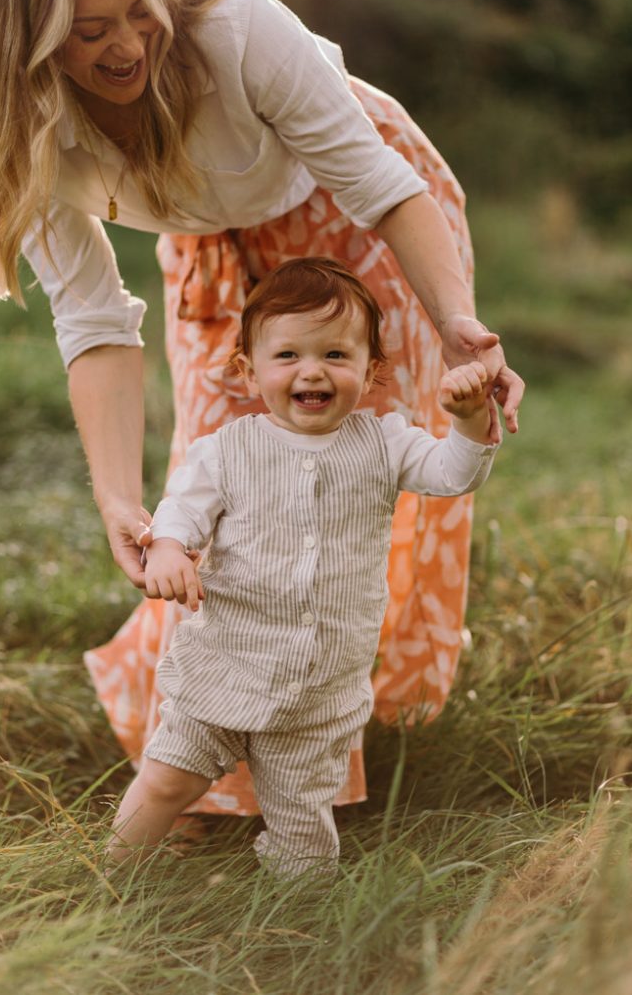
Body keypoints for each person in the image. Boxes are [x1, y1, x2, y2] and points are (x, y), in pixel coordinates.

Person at [0, 0, 523, 817]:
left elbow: (380, 185)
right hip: (214, 245)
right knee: (219, 493)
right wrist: (117, 497)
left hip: (358, 217)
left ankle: (324, 760)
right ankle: (201, 782)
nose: (127, 49)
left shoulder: (229, 25)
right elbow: (95, 321)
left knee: (359, 474)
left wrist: (457, 326)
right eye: (89, 30)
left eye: (142, 14)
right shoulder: (10, 119)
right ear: (22, 39)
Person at [109, 256, 499, 872]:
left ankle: (295, 929)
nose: (311, 370)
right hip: (226, 669)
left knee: (304, 834)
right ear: (248, 370)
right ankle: (108, 882)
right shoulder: (226, 451)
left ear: (371, 371)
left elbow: (454, 474)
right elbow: (180, 512)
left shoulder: (386, 441)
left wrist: (471, 420)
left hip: (319, 690)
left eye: (335, 356)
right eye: (288, 356)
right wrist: (165, 548)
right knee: (164, 783)